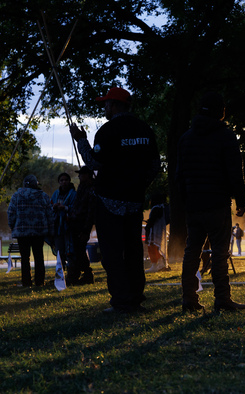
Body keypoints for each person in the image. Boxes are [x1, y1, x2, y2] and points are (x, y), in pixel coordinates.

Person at [69, 87, 160, 313]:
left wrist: (81, 140)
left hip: (109, 201)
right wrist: (140, 185)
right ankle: (136, 298)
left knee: (111, 254)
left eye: (106, 103)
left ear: (115, 105)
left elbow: (94, 163)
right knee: (133, 252)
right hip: (134, 201)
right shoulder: (145, 129)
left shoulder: (107, 131)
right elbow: (155, 165)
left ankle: (120, 301)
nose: (104, 107)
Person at [176, 92, 245, 313]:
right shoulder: (225, 136)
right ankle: (222, 299)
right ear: (221, 112)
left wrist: (182, 202)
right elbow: (235, 171)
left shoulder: (186, 138)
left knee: (192, 251)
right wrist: (241, 200)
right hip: (217, 202)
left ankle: (189, 298)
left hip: (193, 203)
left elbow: (179, 175)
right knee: (219, 252)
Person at [7, 175, 54, 287]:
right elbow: (50, 214)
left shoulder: (16, 196)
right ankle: (39, 281)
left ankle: (26, 282)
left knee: (24, 258)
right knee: (39, 256)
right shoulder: (43, 196)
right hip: (39, 231)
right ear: (36, 184)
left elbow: (11, 212)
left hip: (22, 232)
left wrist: (12, 225)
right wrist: (50, 229)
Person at [67, 166, 96, 285]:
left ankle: (86, 274)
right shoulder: (82, 187)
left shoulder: (92, 189)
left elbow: (91, 210)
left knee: (80, 251)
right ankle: (78, 273)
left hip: (82, 224)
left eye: (82, 174)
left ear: (88, 175)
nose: (79, 176)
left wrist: (86, 229)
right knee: (78, 251)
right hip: (75, 222)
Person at [50, 172, 76, 270]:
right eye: (61, 180)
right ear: (59, 182)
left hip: (69, 226)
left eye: (66, 180)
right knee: (59, 250)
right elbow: (50, 206)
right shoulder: (56, 193)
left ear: (69, 181)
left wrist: (65, 208)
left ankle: (72, 271)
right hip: (58, 227)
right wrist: (54, 207)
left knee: (70, 249)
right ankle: (60, 271)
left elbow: (76, 208)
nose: (64, 182)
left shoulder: (73, 194)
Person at [145, 193, 171, 273]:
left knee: (152, 247)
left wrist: (148, 224)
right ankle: (160, 264)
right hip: (159, 231)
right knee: (156, 248)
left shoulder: (156, 208)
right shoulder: (163, 207)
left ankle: (155, 265)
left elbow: (153, 220)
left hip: (154, 231)